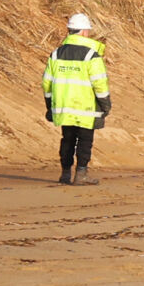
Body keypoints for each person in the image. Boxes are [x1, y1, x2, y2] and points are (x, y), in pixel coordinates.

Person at [42, 13, 111, 186]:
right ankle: (81, 174)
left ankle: (65, 173)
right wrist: (105, 104)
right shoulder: (91, 55)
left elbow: (47, 83)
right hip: (85, 107)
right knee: (85, 141)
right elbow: (100, 84)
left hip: (64, 107)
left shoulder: (57, 54)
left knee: (67, 139)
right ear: (84, 32)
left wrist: (50, 107)